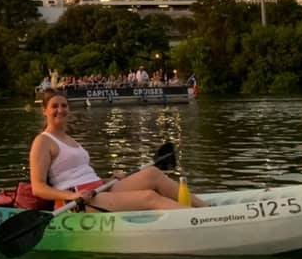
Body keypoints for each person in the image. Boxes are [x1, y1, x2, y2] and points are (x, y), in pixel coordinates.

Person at [29, 90, 207, 212]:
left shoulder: (70, 139)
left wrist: (109, 179)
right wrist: (72, 195)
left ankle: (206, 209)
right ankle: (197, 219)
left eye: (64, 105)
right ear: (44, 111)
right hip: (76, 201)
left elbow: (82, 174)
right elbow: (38, 188)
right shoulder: (42, 141)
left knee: (152, 173)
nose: (60, 110)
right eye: (54, 106)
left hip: (98, 188)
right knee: (148, 197)